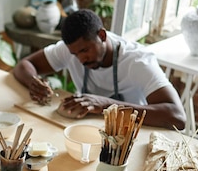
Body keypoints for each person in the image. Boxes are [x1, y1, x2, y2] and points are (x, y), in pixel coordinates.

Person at [13, 9, 186, 130]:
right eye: (75, 54)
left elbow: (177, 117)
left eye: (84, 51)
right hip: (85, 128)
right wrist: (32, 82)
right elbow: (24, 65)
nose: (81, 59)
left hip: (127, 132)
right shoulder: (72, 49)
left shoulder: (138, 61)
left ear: (102, 36)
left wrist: (108, 105)